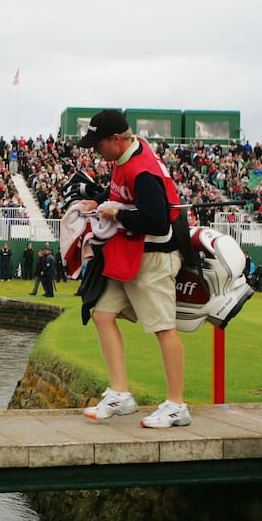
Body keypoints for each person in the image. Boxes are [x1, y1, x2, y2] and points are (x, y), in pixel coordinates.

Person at [76, 109, 189, 429]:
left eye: (98, 144)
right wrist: (97, 201)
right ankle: (120, 394)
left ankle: (177, 405)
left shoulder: (143, 170)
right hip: (128, 254)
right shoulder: (126, 156)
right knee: (102, 313)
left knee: (163, 328)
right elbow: (117, 193)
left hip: (154, 257)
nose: (95, 150)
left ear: (116, 139)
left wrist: (117, 216)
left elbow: (155, 218)